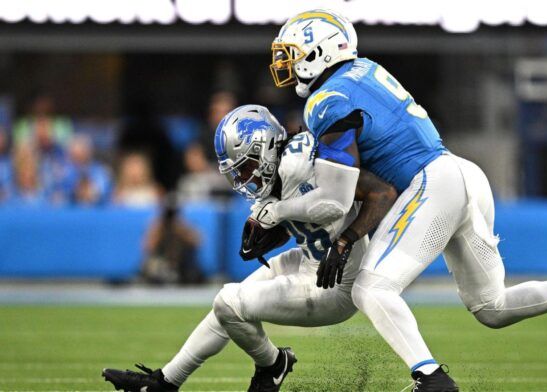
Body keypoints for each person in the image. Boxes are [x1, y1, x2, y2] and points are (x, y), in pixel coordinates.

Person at [255, 9, 547, 391]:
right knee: (492, 307)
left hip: (433, 184)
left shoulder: (327, 100)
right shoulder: (365, 73)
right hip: (461, 174)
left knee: (370, 289)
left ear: (319, 51)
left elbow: (337, 199)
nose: (287, 66)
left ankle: (431, 379)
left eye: (292, 55)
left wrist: (285, 216)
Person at [102, 105, 398, 391]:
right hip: (309, 260)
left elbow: (357, 200)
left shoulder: (303, 161)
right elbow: (299, 222)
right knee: (224, 309)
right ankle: (165, 382)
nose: (244, 179)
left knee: (230, 301)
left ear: (265, 148)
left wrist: (325, 229)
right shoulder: (277, 177)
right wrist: (269, 233)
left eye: (245, 167)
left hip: (333, 283)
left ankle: (273, 364)